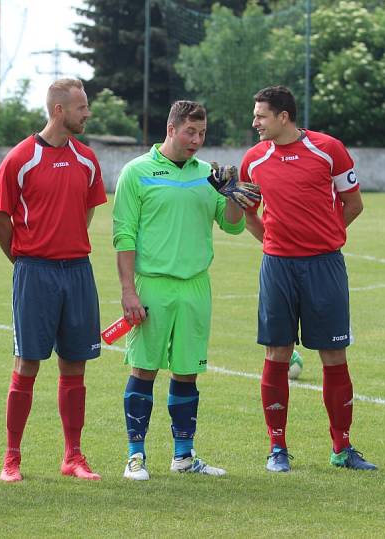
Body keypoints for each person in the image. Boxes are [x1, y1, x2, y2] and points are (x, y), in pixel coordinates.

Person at [114, 100, 259, 480]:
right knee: (144, 369)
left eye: (202, 133)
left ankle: (183, 455)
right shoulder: (137, 172)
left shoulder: (208, 175)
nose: (196, 140)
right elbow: (123, 235)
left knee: (187, 372)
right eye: (190, 132)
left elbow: (229, 227)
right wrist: (128, 291)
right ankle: (135, 456)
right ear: (171, 128)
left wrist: (234, 199)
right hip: (153, 285)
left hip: (196, 287)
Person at [241, 85, 376, 472]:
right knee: (277, 354)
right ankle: (277, 448)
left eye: (261, 116)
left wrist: (326, 238)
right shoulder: (253, 160)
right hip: (278, 268)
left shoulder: (328, 149)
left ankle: (342, 448)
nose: (255, 123)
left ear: (284, 117)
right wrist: (274, 244)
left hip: (325, 266)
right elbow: (249, 213)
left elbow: (354, 204)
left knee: (334, 355)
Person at [0, 78, 107, 482]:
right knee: (27, 364)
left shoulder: (88, 159)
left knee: (75, 364)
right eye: (81, 107)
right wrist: (23, 259)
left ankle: (73, 456)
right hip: (34, 272)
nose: (87, 113)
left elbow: (86, 213)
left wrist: (65, 243)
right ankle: (12, 458)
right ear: (59, 110)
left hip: (77, 271)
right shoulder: (20, 159)